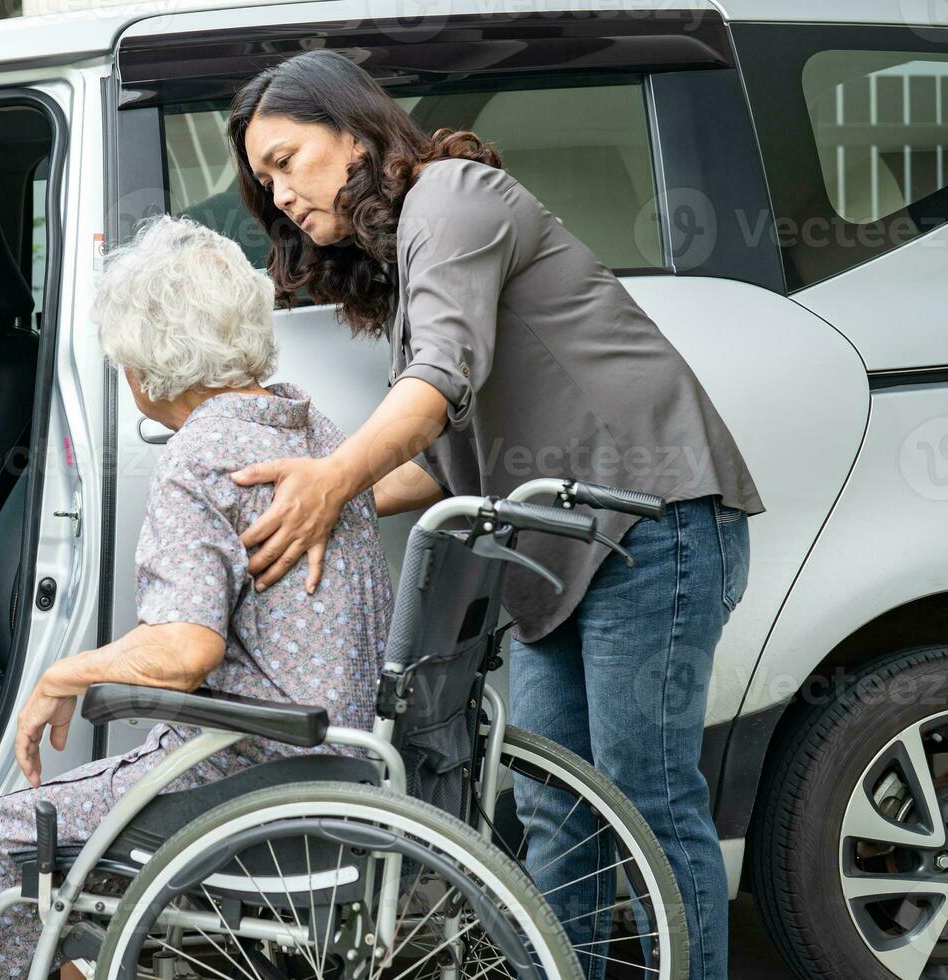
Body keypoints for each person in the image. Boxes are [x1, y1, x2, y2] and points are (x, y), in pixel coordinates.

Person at [221, 49, 763, 980]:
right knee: (556, 810)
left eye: (285, 159)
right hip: (559, 551)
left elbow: (437, 386)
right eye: (261, 179)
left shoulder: (453, 198)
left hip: (653, 522)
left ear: (353, 130)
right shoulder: (406, 257)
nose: (276, 195)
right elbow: (438, 461)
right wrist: (293, 516)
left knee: (647, 798)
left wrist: (330, 481)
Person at [0, 214, 393, 979]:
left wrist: (61, 674)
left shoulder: (199, 458)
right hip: (342, 762)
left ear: (145, 371)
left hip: (249, 773)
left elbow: (184, 653)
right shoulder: (308, 425)